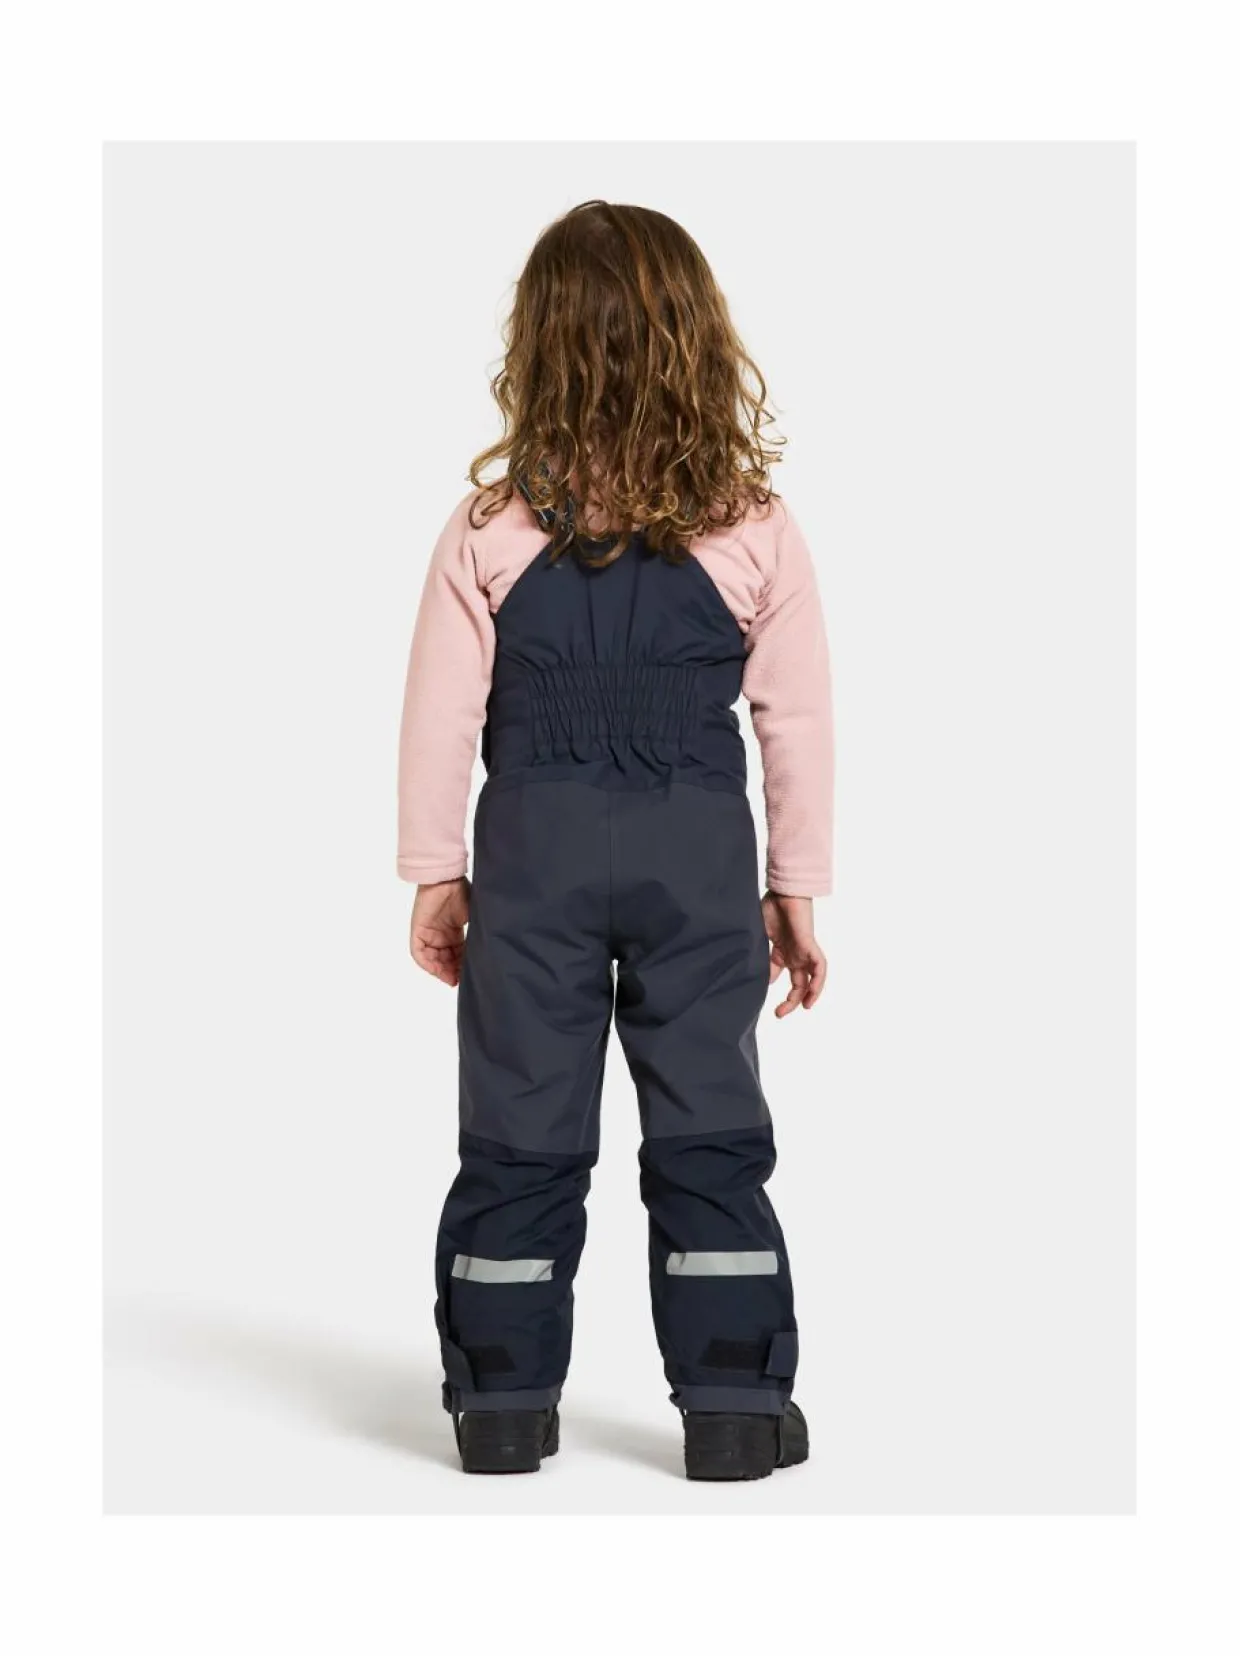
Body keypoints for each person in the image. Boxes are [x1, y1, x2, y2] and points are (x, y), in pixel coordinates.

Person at [397, 200, 834, 1479]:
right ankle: (733, 1408)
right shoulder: (753, 526)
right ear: (702, 345)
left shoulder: (488, 528)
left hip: (530, 858)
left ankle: (501, 1405)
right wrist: (794, 886)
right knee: (707, 1125)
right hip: (695, 858)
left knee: (520, 1130)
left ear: (535, 351)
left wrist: (435, 874)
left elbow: (438, 712)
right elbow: (795, 718)